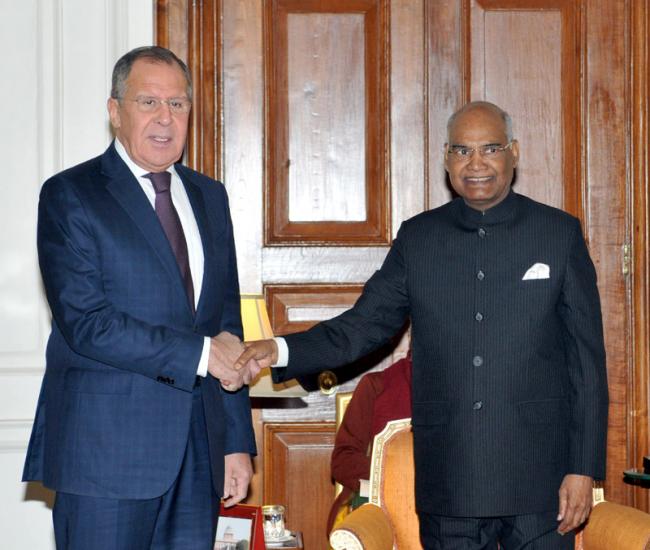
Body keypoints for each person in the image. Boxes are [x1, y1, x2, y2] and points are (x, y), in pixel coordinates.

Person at [237, 101, 609, 549]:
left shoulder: (558, 233)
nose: (476, 163)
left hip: (540, 479)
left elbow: (587, 364)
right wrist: (280, 350)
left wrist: (583, 468)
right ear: (446, 160)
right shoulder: (418, 238)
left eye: (490, 149)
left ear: (514, 152)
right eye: (462, 150)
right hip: (449, 477)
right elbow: (364, 325)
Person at [22, 46, 261, 550]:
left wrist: (236, 442)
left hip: (199, 457)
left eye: (177, 104)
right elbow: (87, 322)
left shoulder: (210, 197)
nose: (164, 118)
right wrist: (202, 355)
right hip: (104, 458)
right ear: (115, 111)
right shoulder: (71, 194)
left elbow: (226, 324)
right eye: (148, 102)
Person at [327, 354, 412, 534]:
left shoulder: (466, 392)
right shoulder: (377, 386)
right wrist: (398, 476)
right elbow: (343, 460)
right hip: (383, 508)